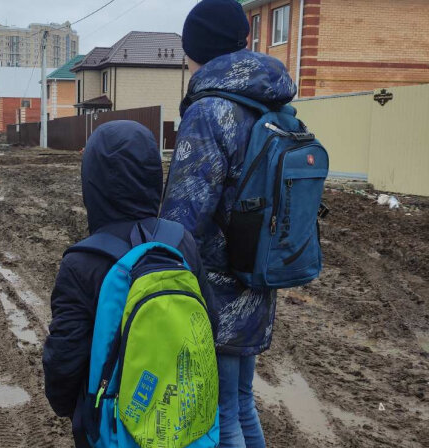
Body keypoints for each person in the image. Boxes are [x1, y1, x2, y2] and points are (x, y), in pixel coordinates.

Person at [160, 1, 298, 447]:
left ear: (198, 47)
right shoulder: (269, 101)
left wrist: (157, 269)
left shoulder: (210, 111)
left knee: (220, 411)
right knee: (240, 402)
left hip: (214, 285)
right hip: (258, 274)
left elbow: (184, 214)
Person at [42, 120, 216, 447]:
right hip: (178, 420)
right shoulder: (181, 242)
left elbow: (64, 359)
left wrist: (70, 409)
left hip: (114, 429)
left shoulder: (81, 262)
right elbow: (210, 326)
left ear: (91, 183)